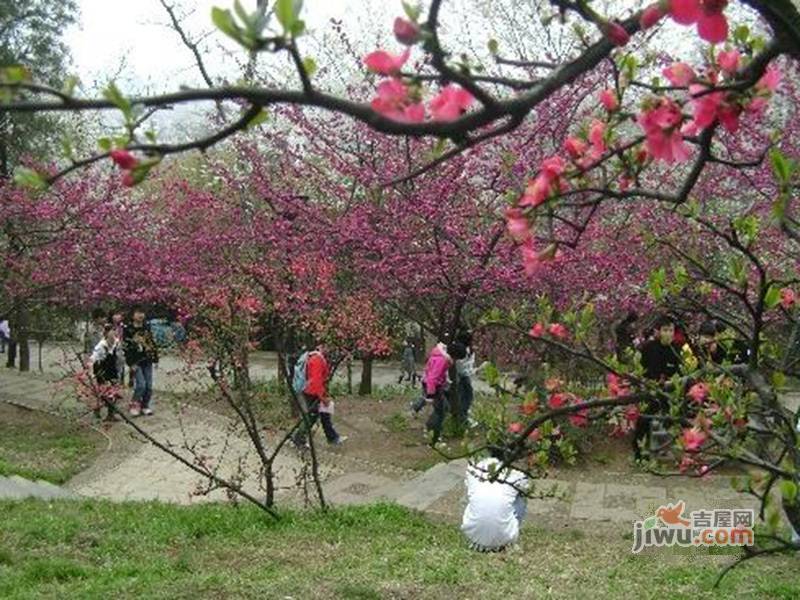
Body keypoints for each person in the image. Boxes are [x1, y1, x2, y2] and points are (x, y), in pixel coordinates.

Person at [633, 314, 682, 460]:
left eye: (671, 330)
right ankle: (639, 452)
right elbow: (639, 370)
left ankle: (663, 449)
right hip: (650, 391)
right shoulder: (648, 348)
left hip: (670, 393)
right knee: (643, 419)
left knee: (673, 418)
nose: (668, 334)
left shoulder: (677, 349)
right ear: (659, 331)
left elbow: (680, 372)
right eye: (665, 330)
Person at [461, 449, 530, 551]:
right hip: (504, 538)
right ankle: (508, 540)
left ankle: (477, 531)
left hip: (473, 536)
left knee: (471, 494)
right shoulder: (516, 474)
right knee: (521, 498)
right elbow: (525, 489)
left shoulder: (474, 467)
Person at [293, 343, 347, 447]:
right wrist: (323, 398)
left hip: (312, 391)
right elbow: (316, 381)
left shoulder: (314, 357)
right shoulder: (317, 359)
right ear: (321, 346)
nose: (330, 350)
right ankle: (298, 438)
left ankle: (333, 437)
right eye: (328, 346)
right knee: (312, 416)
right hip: (312, 392)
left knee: (324, 415)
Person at [124, 307, 159, 417]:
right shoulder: (128, 329)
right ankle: (134, 404)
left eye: (142, 312)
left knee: (149, 386)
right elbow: (126, 348)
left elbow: (151, 343)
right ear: (133, 315)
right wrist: (131, 363)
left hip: (147, 360)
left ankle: (145, 405)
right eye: (138, 312)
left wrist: (156, 358)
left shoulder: (146, 328)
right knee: (141, 385)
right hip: (136, 361)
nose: (141, 315)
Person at [88, 324, 121, 421]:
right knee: (103, 392)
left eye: (115, 332)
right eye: (111, 332)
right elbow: (93, 359)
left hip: (112, 369)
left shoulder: (117, 343)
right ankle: (97, 409)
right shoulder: (101, 345)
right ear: (106, 334)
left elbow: (119, 357)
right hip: (101, 370)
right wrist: (91, 373)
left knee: (113, 392)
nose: (113, 335)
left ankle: (111, 414)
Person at [456, 330, 476, 424]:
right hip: (460, 375)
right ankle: (462, 417)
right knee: (462, 396)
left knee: (468, 395)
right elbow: (459, 365)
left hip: (465, 375)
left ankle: (464, 415)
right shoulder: (460, 349)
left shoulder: (469, 349)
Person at [109, 309, 127, 385]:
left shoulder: (124, 327)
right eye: (115, 314)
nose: (117, 317)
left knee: (121, 365)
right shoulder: (109, 326)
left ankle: (121, 381)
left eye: (119, 314)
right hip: (111, 348)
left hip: (121, 348)